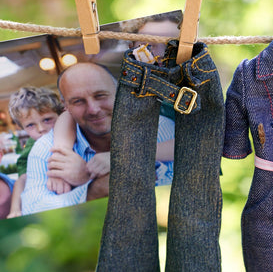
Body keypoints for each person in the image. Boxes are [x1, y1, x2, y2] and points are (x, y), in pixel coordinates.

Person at [20, 62, 175, 215]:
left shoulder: (159, 128)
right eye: (78, 101)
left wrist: (88, 178)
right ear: (65, 105)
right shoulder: (48, 149)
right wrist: (95, 190)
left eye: (100, 95)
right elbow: (34, 209)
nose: (93, 109)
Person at [6, 86, 65, 218]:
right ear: (22, 128)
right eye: (30, 125)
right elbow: (22, 178)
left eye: (47, 119)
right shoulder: (33, 145)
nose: (41, 129)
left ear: (61, 113)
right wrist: (15, 209)